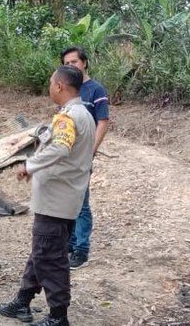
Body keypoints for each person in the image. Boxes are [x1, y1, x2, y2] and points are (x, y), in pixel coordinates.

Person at [0, 65, 95, 326]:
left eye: (52, 83)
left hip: (55, 202)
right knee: (42, 253)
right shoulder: (83, 114)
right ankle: (22, 301)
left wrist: (30, 165)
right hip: (65, 200)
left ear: (60, 86)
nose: (50, 87)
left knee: (50, 259)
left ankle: (58, 316)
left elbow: (61, 148)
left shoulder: (68, 117)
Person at [60, 46, 110, 269]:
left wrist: (91, 150)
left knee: (81, 202)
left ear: (85, 63)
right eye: (66, 64)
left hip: (83, 154)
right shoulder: (69, 90)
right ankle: (70, 243)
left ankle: (82, 249)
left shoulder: (95, 89)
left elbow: (103, 121)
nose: (71, 66)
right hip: (67, 154)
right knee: (69, 199)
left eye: (74, 62)